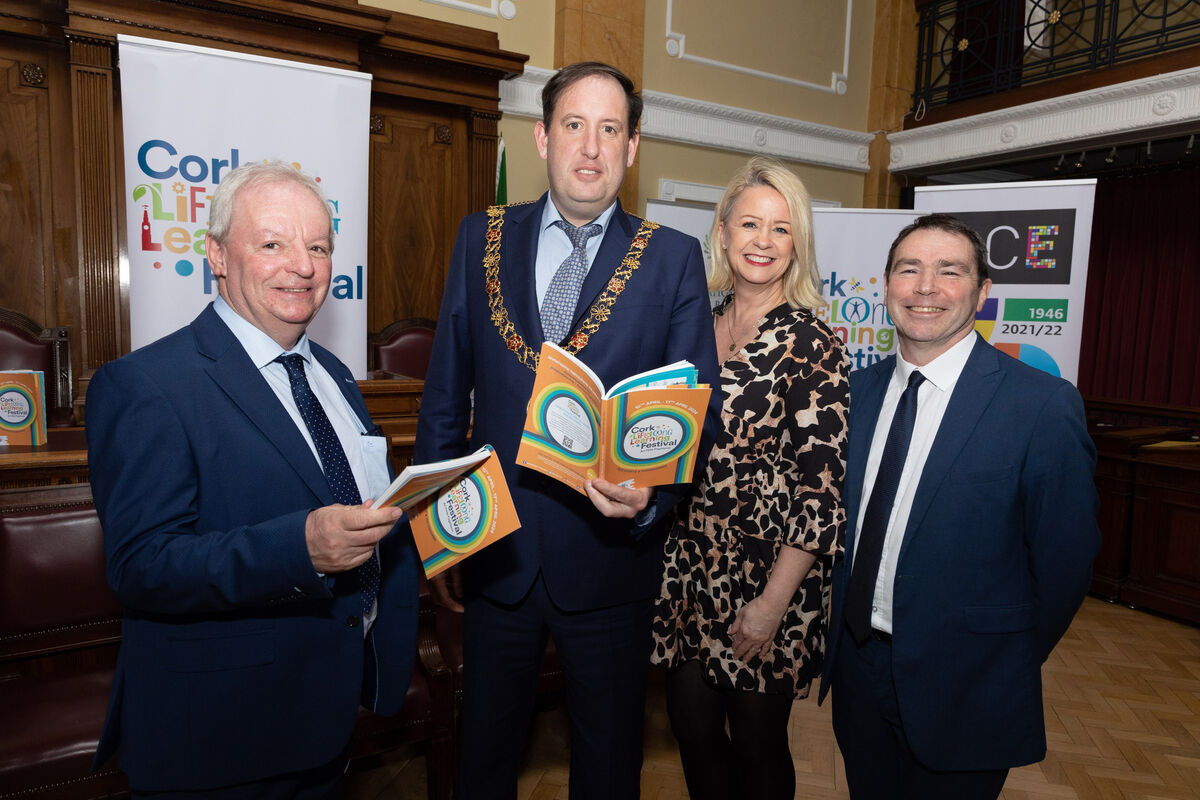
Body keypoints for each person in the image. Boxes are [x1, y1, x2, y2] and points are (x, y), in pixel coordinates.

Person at [415, 61, 722, 798]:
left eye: (610, 129)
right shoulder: (480, 238)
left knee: (609, 764)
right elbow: (445, 396)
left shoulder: (673, 258)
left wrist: (650, 500)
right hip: (497, 552)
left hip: (611, 560)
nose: (591, 146)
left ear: (632, 147)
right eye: (575, 126)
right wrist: (439, 530)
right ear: (543, 137)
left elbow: (693, 414)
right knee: (484, 758)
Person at [86, 162, 419, 797]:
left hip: (325, 713)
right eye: (272, 244)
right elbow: (142, 564)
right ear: (216, 255)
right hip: (223, 740)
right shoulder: (145, 385)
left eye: (318, 246)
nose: (303, 265)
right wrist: (300, 550)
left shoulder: (333, 376)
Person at [818, 213, 1100, 799]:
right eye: (909, 269)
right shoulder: (856, 394)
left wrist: (998, 660)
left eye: (949, 271)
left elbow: (1065, 564)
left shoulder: (1041, 406)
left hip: (967, 683)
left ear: (982, 293)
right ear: (887, 286)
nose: (925, 287)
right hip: (858, 670)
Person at [650, 157, 849, 799]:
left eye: (781, 229)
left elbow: (821, 496)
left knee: (759, 747)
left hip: (769, 580)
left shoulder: (814, 343)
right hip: (687, 568)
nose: (763, 241)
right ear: (723, 233)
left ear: (798, 246)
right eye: (751, 224)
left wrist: (770, 606)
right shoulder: (691, 327)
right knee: (692, 729)